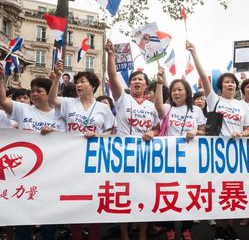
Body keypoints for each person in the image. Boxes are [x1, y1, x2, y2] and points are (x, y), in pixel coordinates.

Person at [188, 40, 249, 240]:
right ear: (220, 86)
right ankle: (219, 228)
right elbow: (202, 77)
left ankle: (228, 226)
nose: (231, 84)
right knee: (218, 189)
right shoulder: (215, 100)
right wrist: (195, 53)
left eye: (233, 82)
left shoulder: (243, 106)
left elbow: (248, 129)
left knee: (233, 191)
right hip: (216, 153)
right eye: (227, 82)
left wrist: (242, 134)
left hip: (237, 153)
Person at [48, 60, 114, 240]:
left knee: (93, 198)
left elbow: (110, 130)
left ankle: (93, 235)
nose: (78, 84)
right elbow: (52, 100)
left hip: (94, 159)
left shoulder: (103, 108)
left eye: (83, 81)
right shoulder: (69, 103)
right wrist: (58, 78)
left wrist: (98, 135)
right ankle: (76, 235)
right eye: (77, 82)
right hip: (71, 159)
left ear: (92, 86)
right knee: (75, 199)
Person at [0, 63, 65, 240]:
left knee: (50, 215)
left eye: (39, 91)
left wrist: (54, 134)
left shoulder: (60, 115)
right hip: (25, 172)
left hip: (52, 173)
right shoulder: (23, 109)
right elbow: (4, 101)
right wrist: (0, 78)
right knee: (23, 214)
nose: (34, 94)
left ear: (48, 93)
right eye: (32, 91)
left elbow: (68, 139)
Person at [106, 39, 160, 240]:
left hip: (145, 158)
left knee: (144, 196)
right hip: (122, 157)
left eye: (141, 79)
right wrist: (111, 55)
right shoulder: (123, 99)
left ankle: (143, 233)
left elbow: (156, 127)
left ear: (146, 85)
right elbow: (112, 76)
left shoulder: (151, 106)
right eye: (134, 79)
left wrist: (152, 134)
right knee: (124, 196)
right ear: (129, 84)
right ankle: (124, 234)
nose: (137, 82)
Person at [154, 66, 206, 240]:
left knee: (189, 193)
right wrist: (160, 84)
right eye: (174, 90)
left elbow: (204, 131)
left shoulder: (196, 110)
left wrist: (196, 133)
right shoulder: (168, 108)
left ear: (187, 92)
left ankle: (186, 228)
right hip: (169, 159)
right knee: (169, 192)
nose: (176, 93)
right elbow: (158, 108)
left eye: (180, 90)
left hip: (191, 159)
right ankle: (169, 228)